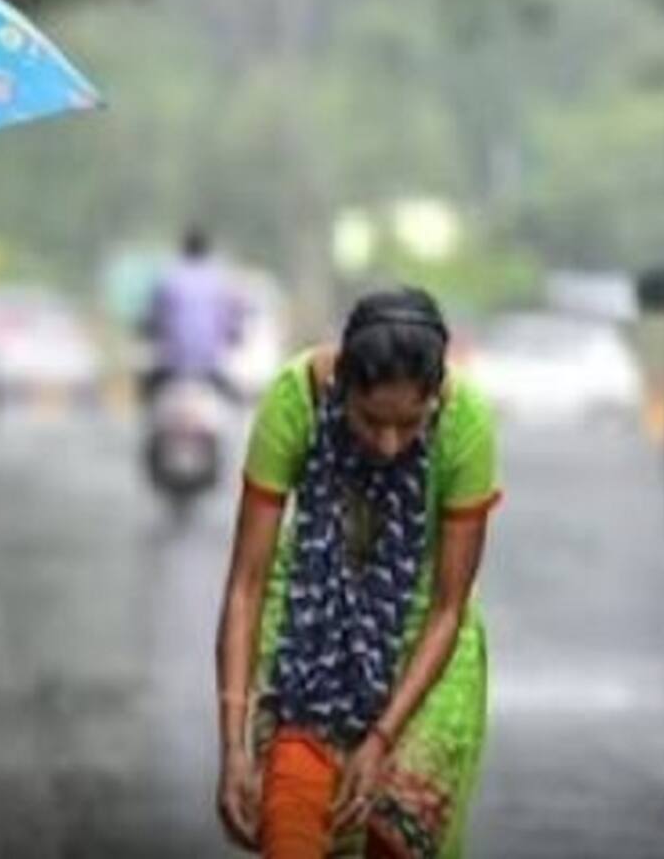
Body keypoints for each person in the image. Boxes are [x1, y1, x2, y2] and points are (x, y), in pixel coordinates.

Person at [213, 287, 500, 858]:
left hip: (424, 657)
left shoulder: (465, 423)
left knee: (392, 838)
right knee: (291, 831)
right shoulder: (294, 402)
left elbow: (448, 608)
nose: (390, 444)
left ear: (434, 396)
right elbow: (246, 585)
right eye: (371, 421)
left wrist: (381, 739)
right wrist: (233, 750)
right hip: (305, 643)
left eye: (410, 424)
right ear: (342, 385)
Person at [142, 226, 247, 404]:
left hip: (173, 365)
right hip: (210, 366)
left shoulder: (168, 276)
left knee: (146, 397)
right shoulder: (219, 278)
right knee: (236, 403)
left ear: (182, 248)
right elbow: (232, 321)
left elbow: (153, 317)